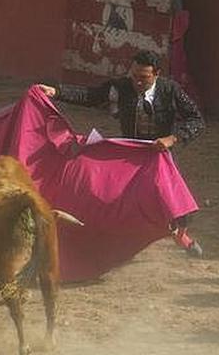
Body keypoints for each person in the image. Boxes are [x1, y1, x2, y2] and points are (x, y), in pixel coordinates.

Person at [36, 50, 206, 257]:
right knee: (118, 200)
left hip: (161, 156)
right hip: (130, 154)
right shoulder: (121, 87)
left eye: (144, 77)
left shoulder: (170, 89)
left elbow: (196, 120)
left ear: (157, 74)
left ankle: (181, 235)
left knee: (177, 205)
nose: (137, 82)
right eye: (134, 75)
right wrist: (57, 92)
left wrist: (173, 138)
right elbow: (91, 96)